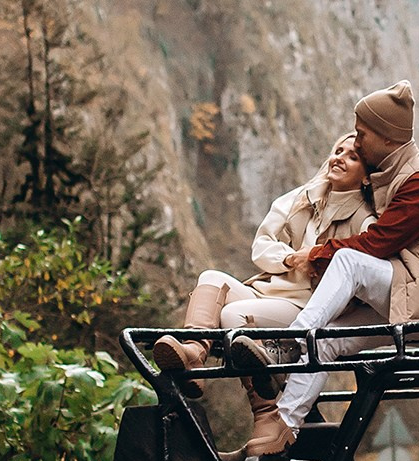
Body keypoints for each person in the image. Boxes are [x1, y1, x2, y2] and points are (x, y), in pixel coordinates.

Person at [226, 80, 419, 456]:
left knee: (348, 261)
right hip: (412, 291)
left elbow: (376, 245)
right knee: (328, 340)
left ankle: (290, 340)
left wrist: (314, 255)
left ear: (387, 139)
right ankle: (281, 431)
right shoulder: (395, 174)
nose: (357, 143)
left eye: (362, 135)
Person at [154, 133, 374, 370]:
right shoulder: (304, 197)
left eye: (352, 157)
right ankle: (195, 353)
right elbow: (260, 246)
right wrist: (289, 258)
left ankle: (266, 406)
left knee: (232, 315)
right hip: (268, 290)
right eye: (338, 151)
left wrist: (317, 261)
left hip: (305, 306)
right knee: (210, 278)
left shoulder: (364, 221)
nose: (339, 158)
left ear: (366, 177)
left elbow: (360, 271)